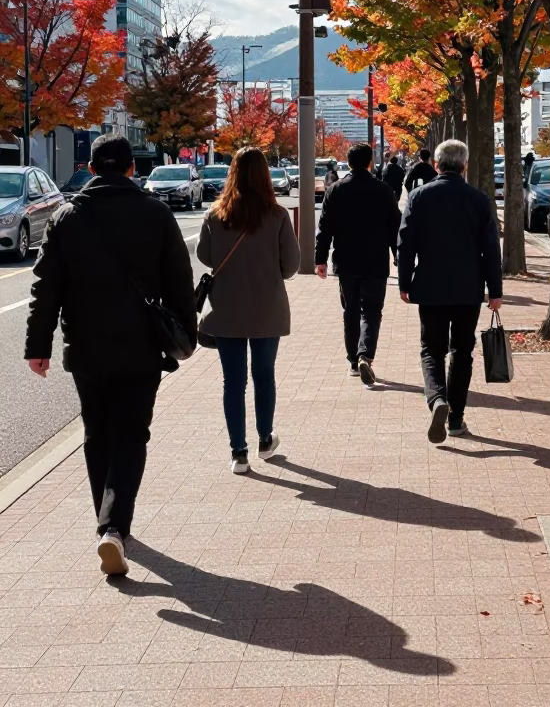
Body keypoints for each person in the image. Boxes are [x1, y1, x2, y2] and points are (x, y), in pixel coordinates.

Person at [24, 134, 196, 577]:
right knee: (131, 434)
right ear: (132, 168)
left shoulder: (66, 217)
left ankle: (106, 525)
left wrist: (37, 346)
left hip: (85, 346)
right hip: (141, 346)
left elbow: (46, 288)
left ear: (93, 168)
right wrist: (185, 335)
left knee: (97, 432)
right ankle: (114, 525)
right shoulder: (155, 213)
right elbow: (179, 281)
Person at [197, 146, 300, 475]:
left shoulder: (215, 215)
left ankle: (238, 452)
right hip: (268, 307)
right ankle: (265, 440)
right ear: (266, 176)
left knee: (233, 381)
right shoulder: (278, 215)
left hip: (227, 308)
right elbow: (291, 267)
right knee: (264, 376)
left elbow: (205, 257)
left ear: (233, 174)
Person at [397, 139, 503, 444]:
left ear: (436, 165)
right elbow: (490, 250)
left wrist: (405, 282)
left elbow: (405, 245)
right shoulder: (479, 200)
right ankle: (455, 418)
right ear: (464, 165)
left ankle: (437, 399)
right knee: (462, 352)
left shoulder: (418, 197)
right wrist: (494, 290)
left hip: (430, 286)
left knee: (432, 349)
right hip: (468, 288)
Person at [315, 142, 401, 387]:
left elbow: (325, 228)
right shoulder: (383, 190)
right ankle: (366, 354)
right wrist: (398, 255)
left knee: (350, 311)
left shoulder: (336, 190)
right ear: (370, 162)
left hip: (346, 260)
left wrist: (320, 259)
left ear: (349, 162)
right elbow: (394, 226)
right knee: (372, 311)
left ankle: (353, 361)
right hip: (375, 260)